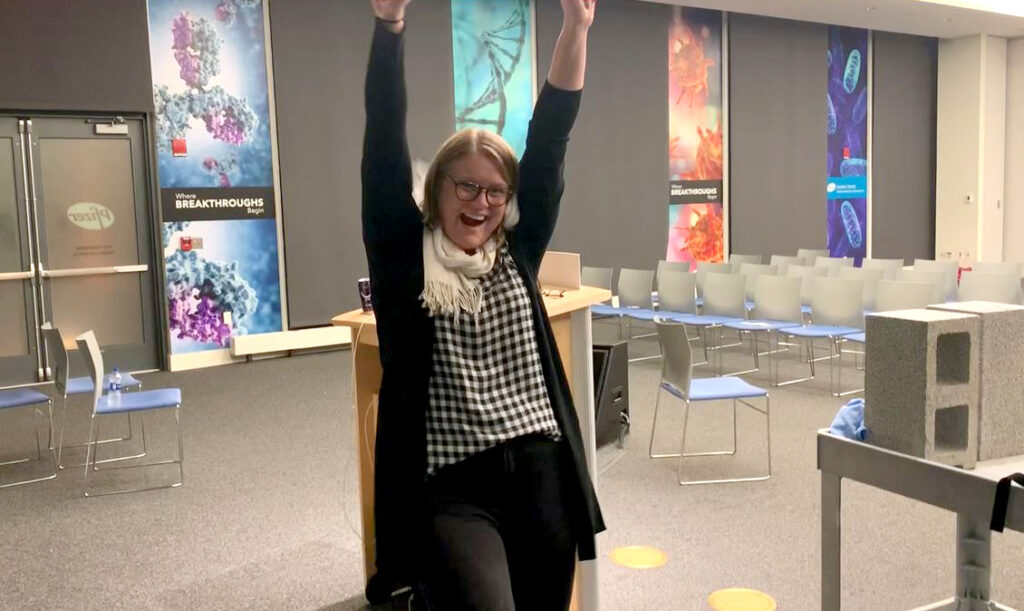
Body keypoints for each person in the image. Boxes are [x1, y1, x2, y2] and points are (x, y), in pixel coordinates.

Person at [362, 0, 602, 608]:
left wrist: (575, 29)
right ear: (436, 187)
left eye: (496, 190)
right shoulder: (402, 258)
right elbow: (384, 136)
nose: (481, 201)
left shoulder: (517, 251)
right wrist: (389, 28)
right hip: (453, 486)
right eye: (466, 185)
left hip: (542, 468)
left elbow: (551, 136)